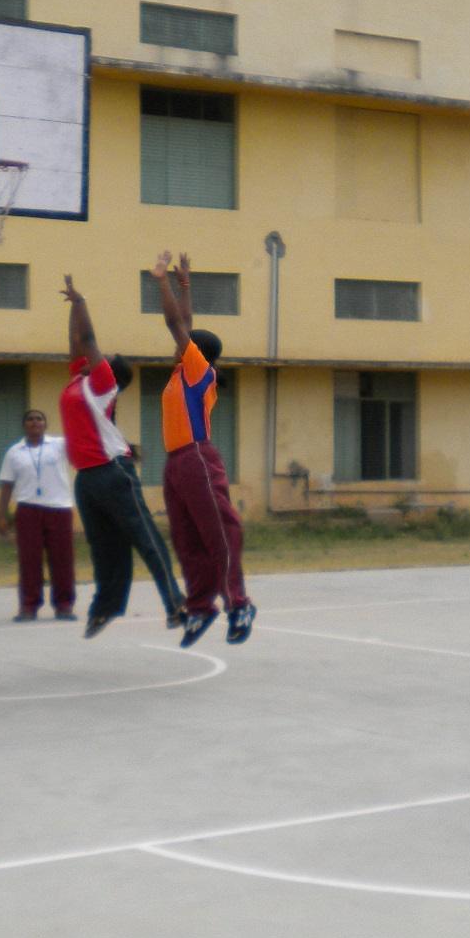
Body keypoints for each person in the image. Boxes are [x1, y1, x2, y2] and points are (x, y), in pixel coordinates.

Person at [58, 274, 185, 639]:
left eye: (104, 358)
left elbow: (89, 339)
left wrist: (83, 304)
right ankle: (107, 607)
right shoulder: (77, 379)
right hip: (87, 477)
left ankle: (175, 603)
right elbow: (76, 342)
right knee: (103, 548)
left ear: (111, 371)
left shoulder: (102, 385)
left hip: (113, 472)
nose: (95, 355)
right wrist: (72, 307)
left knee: (144, 538)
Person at [152, 250, 254, 648]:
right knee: (186, 538)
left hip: (196, 456)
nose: (178, 344)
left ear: (196, 352)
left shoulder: (199, 370)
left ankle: (238, 602)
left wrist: (159, 280)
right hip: (177, 463)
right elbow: (186, 323)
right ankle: (201, 606)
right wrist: (184, 284)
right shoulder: (182, 371)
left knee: (218, 532)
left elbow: (178, 325)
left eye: (185, 344)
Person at [0, 409, 76, 622]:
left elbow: (83, 444)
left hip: (59, 507)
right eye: (30, 419)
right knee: (29, 560)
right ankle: (28, 606)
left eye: (39, 418)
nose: (35, 422)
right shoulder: (14, 452)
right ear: (24, 425)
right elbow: (6, 485)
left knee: (62, 559)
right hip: (28, 509)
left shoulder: (60, 446)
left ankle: (64, 605)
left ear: (45, 424)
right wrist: (1, 515)